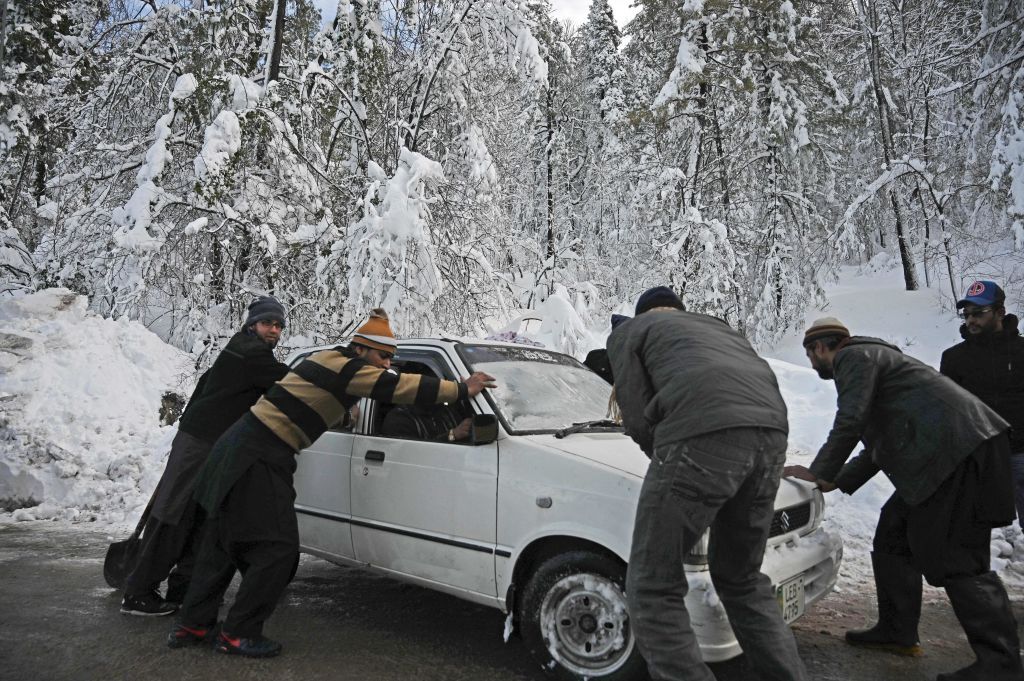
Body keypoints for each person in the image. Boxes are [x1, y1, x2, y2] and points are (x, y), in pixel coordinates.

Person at [168, 308, 497, 658]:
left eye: (392, 357)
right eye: (383, 355)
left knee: (223, 544)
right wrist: (461, 388)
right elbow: (396, 387)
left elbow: (306, 398)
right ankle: (238, 634)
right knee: (278, 550)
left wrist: (340, 412)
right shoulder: (349, 367)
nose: (387, 363)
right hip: (259, 455)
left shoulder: (330, 361)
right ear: (362, 348)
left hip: (236, 448)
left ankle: (194, 625)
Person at [785, 318, 1023, 681]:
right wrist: (836, 479)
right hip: (951, 454)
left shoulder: (854, 357)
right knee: (893, 533)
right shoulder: (878, 361)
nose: (812, 362)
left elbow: (850, 420)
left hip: (959, 453)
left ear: (819, 347)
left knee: (959, 557)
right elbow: (878, 443)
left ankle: (1000, 663)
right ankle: (897, 631)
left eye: (810, 354)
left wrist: (820, 472)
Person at [607, 285, 806, 681]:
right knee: (742, 577)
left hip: (702, 430)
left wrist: (671, 469)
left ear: (642, 313)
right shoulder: (718, 329)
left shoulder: (633, 331)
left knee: (652, 585)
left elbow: (635, 414)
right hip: (771, 436)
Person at [119, 296, 290, 616]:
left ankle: (182, 587)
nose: (274, 330)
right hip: (200, 444)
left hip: (203, 443)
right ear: (252, 324)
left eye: (279, 325)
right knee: (177, 516)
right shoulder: (250, 352)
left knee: (201, 517)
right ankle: (138, 592)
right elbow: (287, 382)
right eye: (268, 323)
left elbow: (203, 386)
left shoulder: (237, 351)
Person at [941, 280, 1024, 525]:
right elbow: (948, 411)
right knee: (972, 528)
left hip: (1022, 453)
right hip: (979, 458)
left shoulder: (1022, 351)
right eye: (966, 315)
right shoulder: (955, 358)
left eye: (978, 313)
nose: (971, 320)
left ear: (1000, 312)